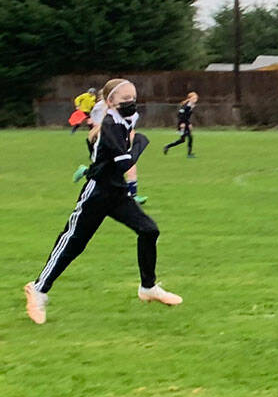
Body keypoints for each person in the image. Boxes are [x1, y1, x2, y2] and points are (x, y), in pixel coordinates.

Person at [24, 78, 181, 324]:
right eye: (125, 100)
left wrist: (134, 139)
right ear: (110, 102)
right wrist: (140, 142)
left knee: (149, 230)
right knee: (73, 242)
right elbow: (125, 163)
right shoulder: (109, 125)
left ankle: (148, 288)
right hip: (97, 193)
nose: (130, 103)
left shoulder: (124, 119)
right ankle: (38, 289)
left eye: (133, 99)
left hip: (117, 192)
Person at [163, 92, 198, 157]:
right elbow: (180, 115)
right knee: (189, 137)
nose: (195, 99)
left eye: (196, 98)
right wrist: (182, 124)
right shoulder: (186, 106)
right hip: (182, 124)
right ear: (190, 98)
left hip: (186, 123)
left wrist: (189, 123)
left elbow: (186, 116)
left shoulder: (191, 105)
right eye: (194, 98)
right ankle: (189, 154)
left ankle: (167, 146)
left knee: (182, 140)